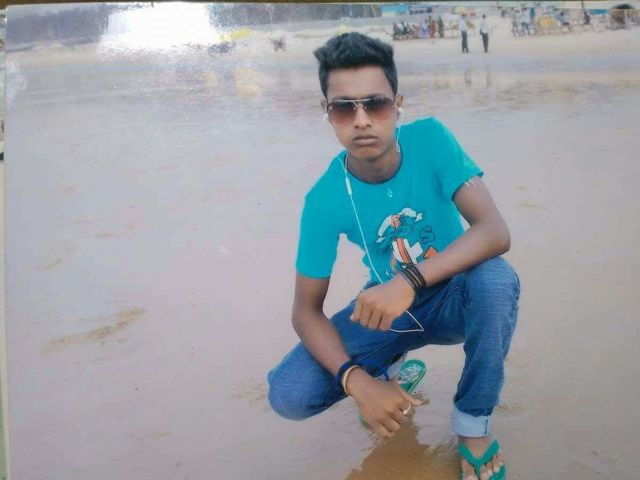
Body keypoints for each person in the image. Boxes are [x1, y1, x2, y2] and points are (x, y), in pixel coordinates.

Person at [267, 32, 520, 480]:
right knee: (288, 394)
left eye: (376, 104)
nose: (361, 120)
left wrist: (409, 281)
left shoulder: (431, 140)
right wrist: (356, 381)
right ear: (326, 111)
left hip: (456, 294)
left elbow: (494, 231)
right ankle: (385, 368)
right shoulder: (324, 198)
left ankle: (472, 424)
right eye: (344, 108)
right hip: (388, 311)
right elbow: (305, 311)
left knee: (496, 280)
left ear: (398, 104)